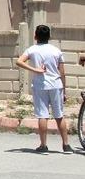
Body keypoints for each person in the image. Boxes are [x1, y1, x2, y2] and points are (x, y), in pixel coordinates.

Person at [15, 25, 73, 154]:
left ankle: (43, 145)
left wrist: (35, 70)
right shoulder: (56, 51)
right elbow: (62, 72)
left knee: (42, 115)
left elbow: (19, 61)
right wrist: (64, 90)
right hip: (56, 85)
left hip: (40, 86)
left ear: (35, 36)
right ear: (49, 36)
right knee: (59, 116)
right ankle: (66, 145)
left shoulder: (32, 50)